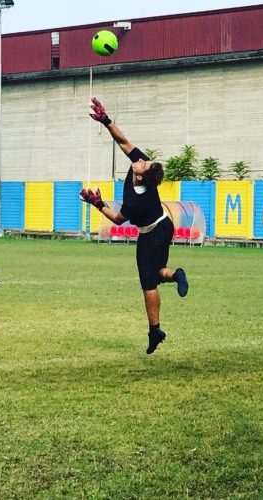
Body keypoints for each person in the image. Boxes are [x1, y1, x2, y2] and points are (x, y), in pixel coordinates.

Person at [81, 97, 189, 354]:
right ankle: (176, 275)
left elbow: (118, 219)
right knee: (157, 272)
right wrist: (106, 120)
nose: (140, 159)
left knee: (148, 283)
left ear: (141, 175)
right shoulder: (140, 167)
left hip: (153, 233)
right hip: (163, 226)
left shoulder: (136, 201)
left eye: (143, 164)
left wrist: (97, 203)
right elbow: (124, 141)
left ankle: (155, 331)